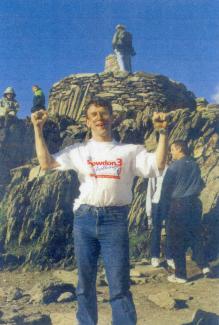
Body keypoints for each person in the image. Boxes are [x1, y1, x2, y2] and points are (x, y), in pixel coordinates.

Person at [31, 98, 169, 325]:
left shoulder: (129, 151)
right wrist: (38, 129)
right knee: (85, 283)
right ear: (87, 122)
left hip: (115, 220)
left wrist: (162, 133)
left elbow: (159, 165)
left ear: (112, 118)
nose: (99, 118)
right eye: (94, 115)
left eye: (104, 114)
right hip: (84, 219)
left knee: (119, 283)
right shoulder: (77, 150)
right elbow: (46, 164)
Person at [161, 140, 210, 284]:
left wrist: (164, 211)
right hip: (195, 203)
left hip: (178, 204)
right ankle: (205, 266)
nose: (171, 153)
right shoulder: (194, 165)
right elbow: (201, 184)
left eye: (172, 150)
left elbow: (165, 190)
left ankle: (181, 275)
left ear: (179, 149)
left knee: (177, 240)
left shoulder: (174, 167)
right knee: (195, 235)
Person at [146, 166, 175, 269]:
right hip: (157, 202)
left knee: (170, 230)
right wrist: (149, 210)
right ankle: (155, 256)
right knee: (156, 230)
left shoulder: (173, 168)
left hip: (170, 202)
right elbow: (151, 190)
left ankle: (169, 256)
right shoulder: (155, 170)